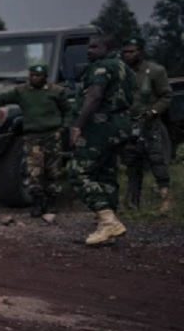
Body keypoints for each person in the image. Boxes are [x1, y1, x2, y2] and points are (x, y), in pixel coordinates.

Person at [0, 64, 70, 219]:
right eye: (32, 75)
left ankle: (52, 202)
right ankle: (37, 202)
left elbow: (67, 110)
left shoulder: (56, 91)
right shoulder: (22, 91)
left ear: (45, 77)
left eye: (38, 76)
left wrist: (64, 127)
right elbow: (1, 98)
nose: (35, 78)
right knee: (34, 170)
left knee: (53, 169)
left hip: (52, 134)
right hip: (32, 135)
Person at [66, 34, 136, 245]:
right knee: (106, 172)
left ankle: (107, 220)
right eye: (89, 47)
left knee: (78, 172)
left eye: (95, 47)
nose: (89, 51)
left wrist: (78, 124)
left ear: (108, 48)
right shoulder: (125, 68)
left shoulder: (102, 67)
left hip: (100, 126)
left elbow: (95, 96)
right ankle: (108, 227)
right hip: (120, 125)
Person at [119, 36, 173, 214]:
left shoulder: (155, 71)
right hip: (129, 123)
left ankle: (166, 199)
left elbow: (166, 96)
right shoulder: (121, 72)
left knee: (157, 160)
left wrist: (154, 111)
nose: (128, 55)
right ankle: (132, 202)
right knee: (132, 163)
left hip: (150, 123)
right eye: (125, 51)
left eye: (132, 51)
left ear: (140, 51)